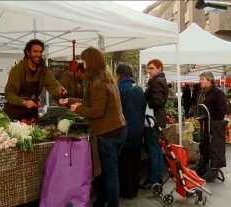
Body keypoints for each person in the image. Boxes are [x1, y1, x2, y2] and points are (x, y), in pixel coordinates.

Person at [59, 46, 126, 207]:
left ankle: (112, 204)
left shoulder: (98, 82)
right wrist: (69, 101)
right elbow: (93, 102)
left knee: (110, 174)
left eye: (85, 60)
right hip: (119, 130)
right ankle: (101, 201)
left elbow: (96, 111)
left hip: (108, 133)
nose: (83, 64)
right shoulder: (106, 76)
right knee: (109, 172)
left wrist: (78, 109)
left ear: (91, 61)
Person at [4, 39, 66, 121]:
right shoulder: (17, 70)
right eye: (35, 51)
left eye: (40, 52)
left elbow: (53, 83)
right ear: (28, 52)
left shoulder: (44, 71)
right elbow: (9, 93)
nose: (38, 54)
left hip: (31, 114)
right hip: (15, 114)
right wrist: (23, 102)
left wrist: (60, 90)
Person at [116, 62, 147, 199]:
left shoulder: (118, 89)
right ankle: (134, 189)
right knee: (136, 161)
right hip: (139, 131)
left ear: (119, 75)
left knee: (125, 163)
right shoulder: (139, 89)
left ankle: (127, 192)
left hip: (124, 131)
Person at [139, 59, 168, 189]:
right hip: (156, 119)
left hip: (153, 120)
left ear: (159, 68)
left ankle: (153, 179)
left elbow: (158, 101)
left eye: (151, 68)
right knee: (156, 150)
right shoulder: (158, 80)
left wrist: (146, 102)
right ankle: (158, 178)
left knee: (153, 150)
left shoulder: (157, 81)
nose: (149, 71)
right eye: (148, 68)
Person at [194, 71, 227, 173]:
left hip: (213, 124)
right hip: (203, 123)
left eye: (202, 79)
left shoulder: (218, 93)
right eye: (200, 79)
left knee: (214, 146)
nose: (200, 82)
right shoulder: (200, 93)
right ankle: (204, 163)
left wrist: (213, 121)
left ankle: (213, 166)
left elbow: (222, 110)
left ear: (209, 80)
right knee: (203, 144)